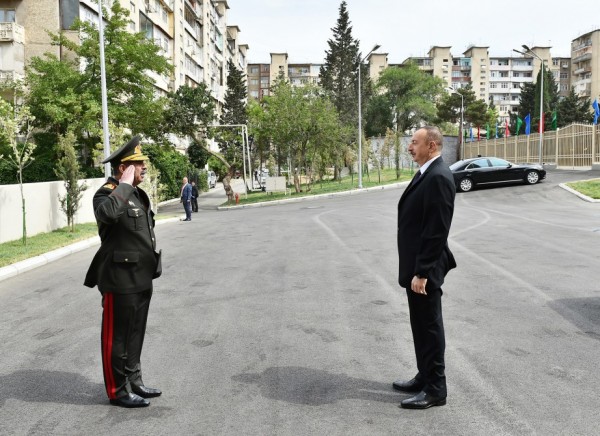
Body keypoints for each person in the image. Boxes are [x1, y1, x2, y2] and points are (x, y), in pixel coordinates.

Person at [84, 136, 163, 408]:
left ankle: (134, 380)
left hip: (141, 276)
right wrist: (125, 185)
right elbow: (108, 214)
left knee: (135, 333)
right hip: (119, 278)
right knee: (116, 338)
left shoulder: (137, 194)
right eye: (138, 164)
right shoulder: (106, 193)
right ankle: (117, 391)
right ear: (123, 169)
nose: (144, 168)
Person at [394, 126, 457, 409]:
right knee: (419, 326)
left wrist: (422, 272)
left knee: (430, 327)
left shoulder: (439, 177)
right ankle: (424, 375)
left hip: (425, 271)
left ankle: (436, 389)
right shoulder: (426, 173)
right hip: (416, 269)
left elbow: (437, 230)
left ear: (431, 146)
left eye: (414, 142)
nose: (410, 147)